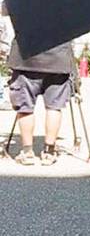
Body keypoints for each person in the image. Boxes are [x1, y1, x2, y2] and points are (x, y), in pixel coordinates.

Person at [5, 35, 74, 166]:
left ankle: (27, 152)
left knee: (25, 107)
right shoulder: (66, 12)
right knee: (54, 107)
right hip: (58, 60)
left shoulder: (23, 12)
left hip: (26, 59)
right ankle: (49, 151)